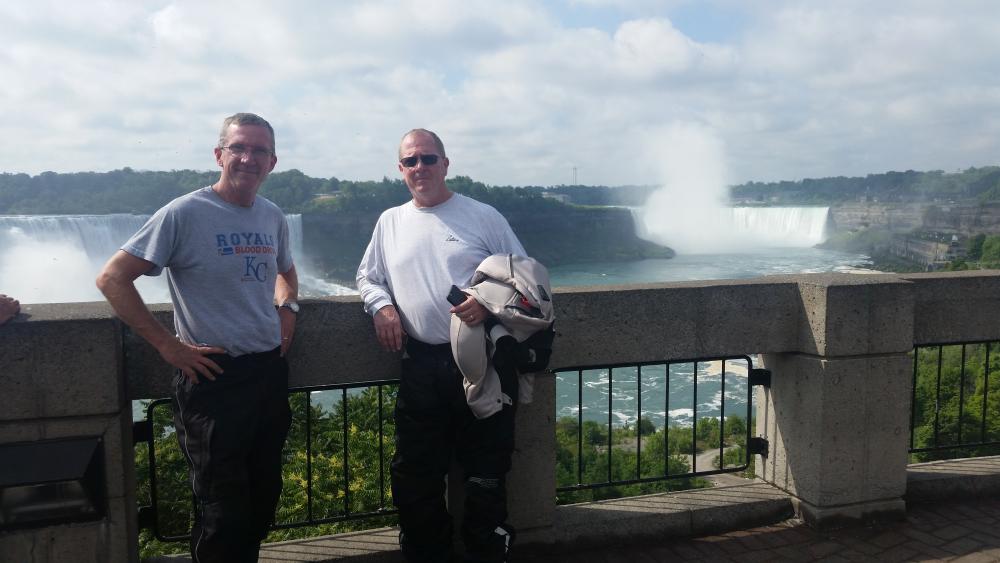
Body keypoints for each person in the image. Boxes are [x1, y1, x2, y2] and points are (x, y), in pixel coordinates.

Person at [96, 113, 298, 563]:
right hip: (213, 377)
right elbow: (111, 278)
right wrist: (168, 345)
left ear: (272, 161)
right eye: (239, 148)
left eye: (259, 151)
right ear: (219, 154)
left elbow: (286, 271)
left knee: (263, 496)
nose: (248, 158)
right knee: (221, 509)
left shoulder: (271, 215)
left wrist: (288, 307)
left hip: (267, 371)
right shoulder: (184, 213)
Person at [357, 128, 527, 563]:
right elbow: (368, 277)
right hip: (422, 361)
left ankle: (485, 548)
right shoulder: (390, 221)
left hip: (482, 361)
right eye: (410, 161)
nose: (420, 168)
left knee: (486, 469)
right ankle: (426, 550)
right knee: (416, 471)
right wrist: (382, 308)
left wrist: (486, 305)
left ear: (446, 164)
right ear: (400, 170)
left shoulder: (481, 216)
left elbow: (524, 280)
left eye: (428, 159)